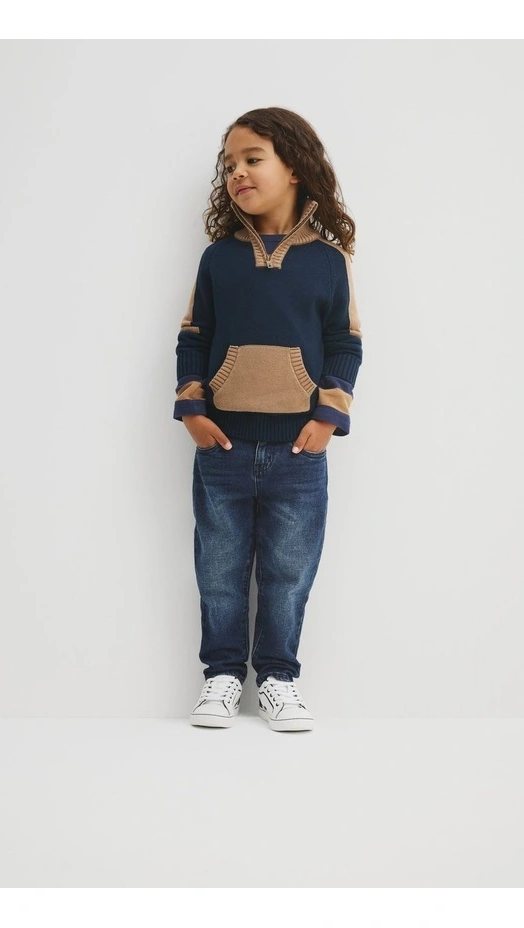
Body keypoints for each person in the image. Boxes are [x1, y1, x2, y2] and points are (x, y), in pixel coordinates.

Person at [172, 107, 363, 732]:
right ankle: (222, 677)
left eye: (252, 159)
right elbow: (194, 336)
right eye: (229, 164)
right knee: (219, 571)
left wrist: (328, 418)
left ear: (296, 168)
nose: (237, 173)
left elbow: (345, 344)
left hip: (300, 456)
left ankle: (279, 679)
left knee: (288, 574)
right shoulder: (218, 259)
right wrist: (193, 409)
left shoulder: (328, 262)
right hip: (222, 451)